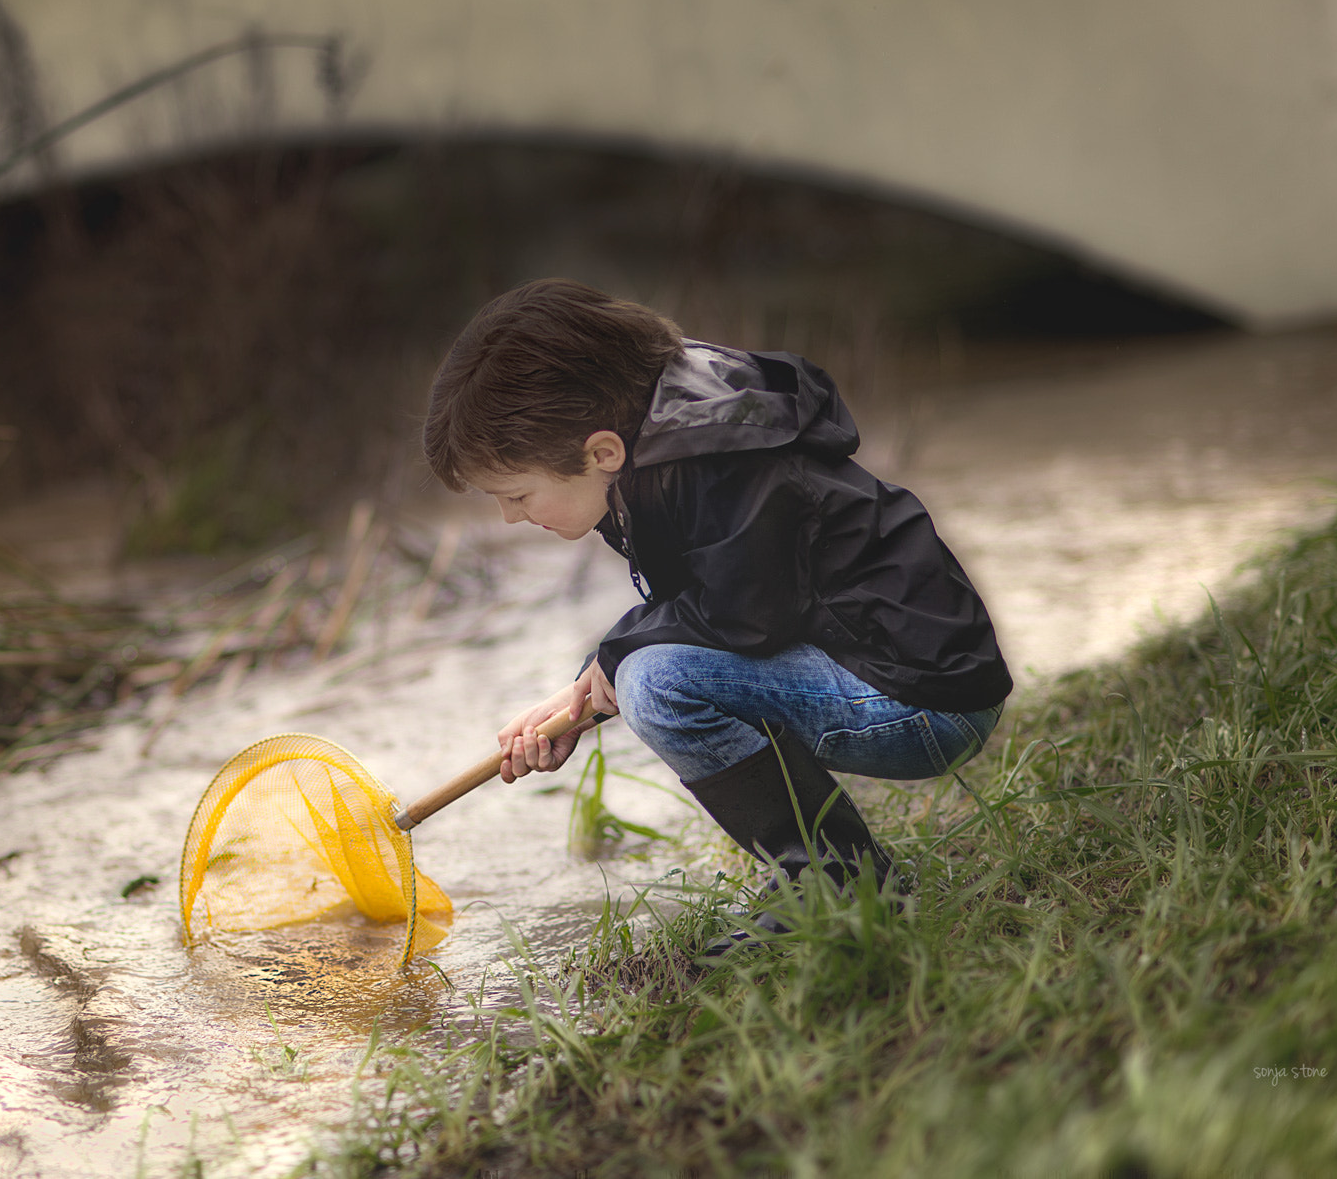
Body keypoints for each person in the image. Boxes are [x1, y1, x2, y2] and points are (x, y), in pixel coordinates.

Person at [422, 279, 1011, 947]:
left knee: (654, 683)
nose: (509, 516)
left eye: (518, 493)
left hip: (921, 702)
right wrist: (584, 690)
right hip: (889, 667)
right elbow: (708, 607)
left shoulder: (715, 457)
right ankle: (832, 873)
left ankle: (837, 881)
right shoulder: (678, 427)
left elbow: (744, 619)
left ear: (602, 452)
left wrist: (617, 662)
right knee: (644, 672)